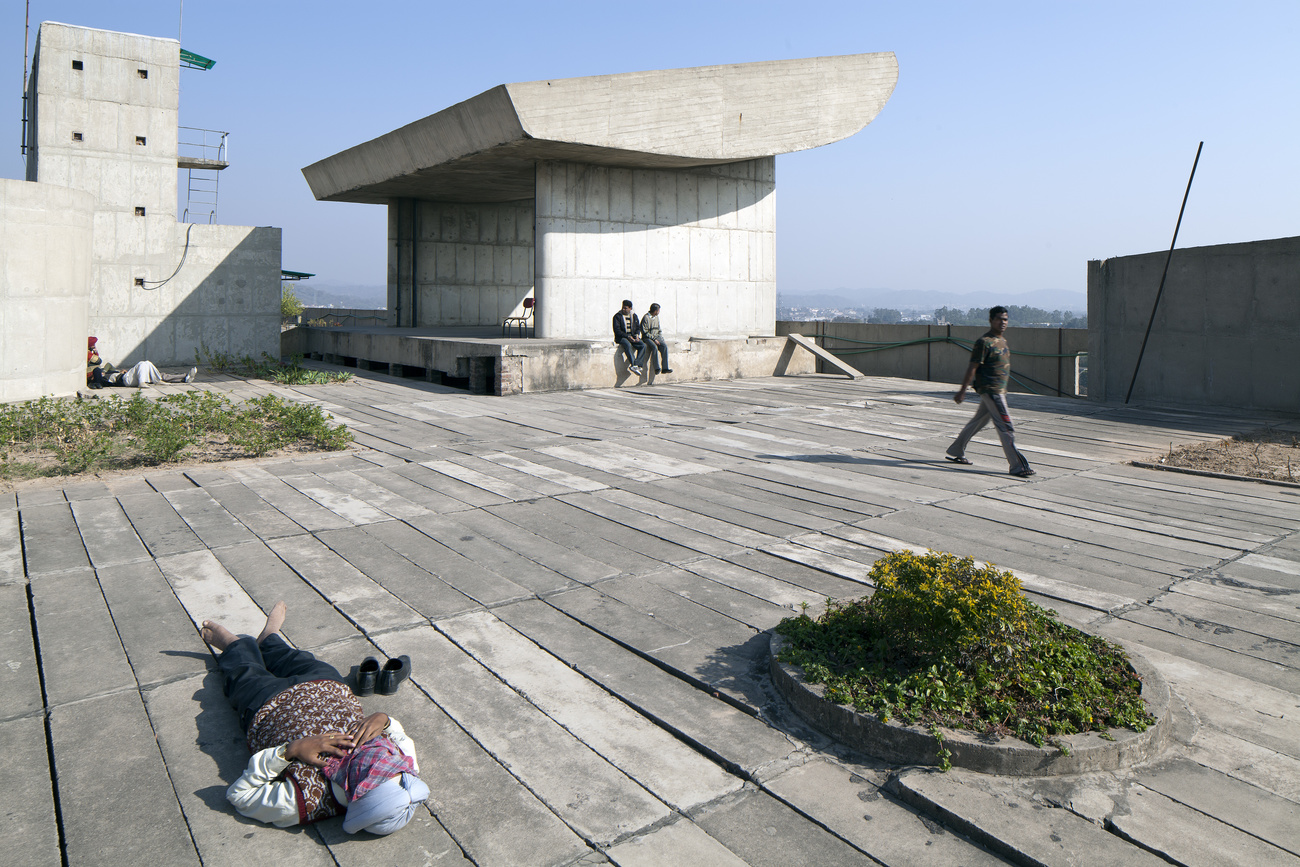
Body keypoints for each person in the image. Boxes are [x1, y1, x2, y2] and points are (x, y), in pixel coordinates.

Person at [201, 602, 430, 835]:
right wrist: (384, 720)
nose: (383, 757)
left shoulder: (305, 800)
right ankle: (269, 637)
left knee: (245, 672)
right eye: (393, 766)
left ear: (358, 791)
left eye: (377, 770)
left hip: (269, 704)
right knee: (296, 658)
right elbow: (401, 738)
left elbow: (240, 796)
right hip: (327, 686)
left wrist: (290, 750)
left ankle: (234, 645)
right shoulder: (405, 770)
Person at [946, 306, 1035, 477]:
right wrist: (962, 390)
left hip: (998, 391)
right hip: (991, 391)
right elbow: (973, 367)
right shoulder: (984, 342)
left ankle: (956, 449)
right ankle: (1018, 466)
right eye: (999, 319)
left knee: (978, 421)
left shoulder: (1003, 341)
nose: (1003, 322)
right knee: (1006, 427)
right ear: (991, 320)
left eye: (1005, 319)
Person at [88, 336, 196, 387]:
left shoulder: (105, 370)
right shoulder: (102, 376)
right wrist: (102, 373)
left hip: (127, 376)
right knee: (142, 364)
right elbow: (99, 364)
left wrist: (120, 371)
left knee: (150, 365)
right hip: (124, 381)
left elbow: (108, 365)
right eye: (93, 346)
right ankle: (143, 382)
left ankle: (184, 378)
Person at [612, 299, 650, 375]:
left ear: (630, 308)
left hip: (632, 337)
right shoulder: (617, 316)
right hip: (622, 337)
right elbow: (617, 330)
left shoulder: (634, 316)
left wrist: (636, 336)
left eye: (625, 308)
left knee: (642, 345)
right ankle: (633, 365)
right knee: (628, 345)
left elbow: (638, 327)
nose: (624, 309)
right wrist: (627, 336)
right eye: (623, 307)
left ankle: (637, 364)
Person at [641, 303, 672, 374]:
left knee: (664, 346)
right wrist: (654, 339)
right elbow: (644, 331)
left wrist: (660, 338)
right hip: (648, 337)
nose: (658, 312)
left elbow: (659, 329)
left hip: (656, 336)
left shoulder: (656, 317)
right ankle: (657, 368)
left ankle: (665, 368)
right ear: (655, 311)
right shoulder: (646, 318)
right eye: (658, 311)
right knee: (654, 347)